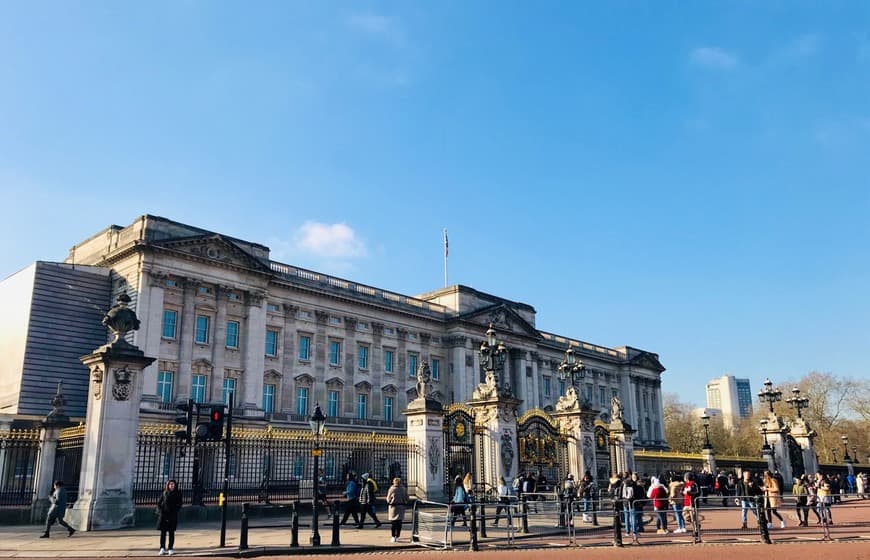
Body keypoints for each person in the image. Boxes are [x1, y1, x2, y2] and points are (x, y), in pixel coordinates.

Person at [156, 479, 182, 556]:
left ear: (175, 485)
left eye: (173, 484)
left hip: (172, 515)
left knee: (171, 532)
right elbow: (159, 503)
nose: (171, 486)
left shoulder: (178, 493)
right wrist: (161, 511)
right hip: (164, 515)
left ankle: (170, 548)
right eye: (170, 484)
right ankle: (162, 548)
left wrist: (176, 510)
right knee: (163, 533)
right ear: (168, 485)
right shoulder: (164, 493)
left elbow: (180, 503)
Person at [386, 477, 408, 543]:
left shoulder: (392, 489)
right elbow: (407, 498)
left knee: (393, 523)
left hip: (393, 507)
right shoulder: (403, 489)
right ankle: (398, 536)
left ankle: (393, 536)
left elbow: (388, 498)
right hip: (401, 507)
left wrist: (390, 501)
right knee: (399, 523)